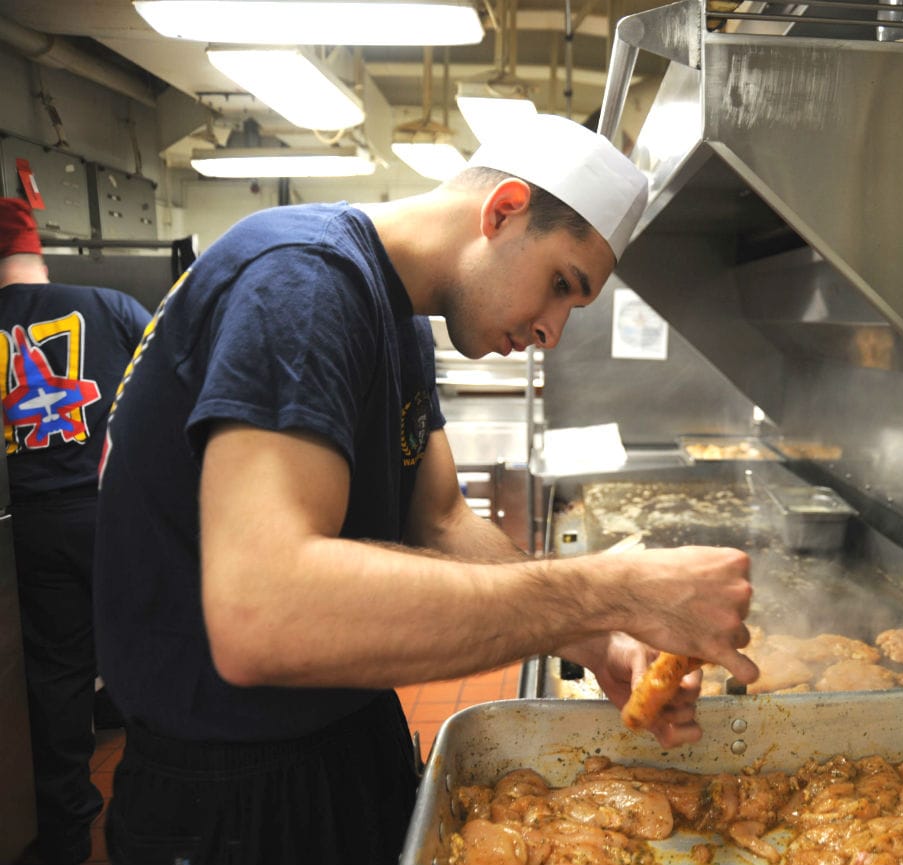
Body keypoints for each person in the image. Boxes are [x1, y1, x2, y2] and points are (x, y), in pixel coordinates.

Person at [93, 114, 760, 865]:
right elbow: (263, 612)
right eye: (560, 285)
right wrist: (610, 589)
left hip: (341, 742)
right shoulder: (302, 282)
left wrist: (595, 637)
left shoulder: (398, 314)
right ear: (503, 210)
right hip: (234, 798)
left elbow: (441, 521)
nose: (552, 333)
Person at [0, 197, 152, 865]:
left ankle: (65, 835)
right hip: (114, 512)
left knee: (58, 678)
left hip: (23, 529)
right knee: (148, 654)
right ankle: (161, 805)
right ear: (38, 249)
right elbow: (172, 389)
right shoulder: (110, 304)